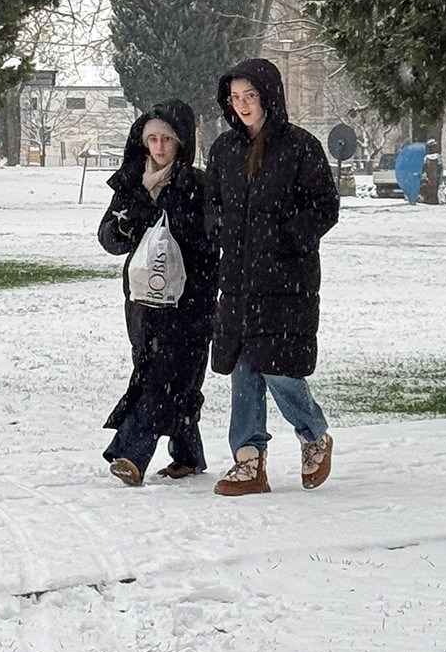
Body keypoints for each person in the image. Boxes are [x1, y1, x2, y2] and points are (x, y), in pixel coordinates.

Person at [205, 59, 339, 496]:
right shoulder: (223, 149)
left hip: (285, 280)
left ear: (268, 96)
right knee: (243, 366)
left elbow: (324, 206)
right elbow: (213, 206)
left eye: (250, 96)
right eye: (236, 97)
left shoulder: (301, 147)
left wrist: (282, 238)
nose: (242, 105)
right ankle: (248, 460)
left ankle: (313, 434)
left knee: (277, 366)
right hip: (239, 280)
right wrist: (221, 230)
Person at [98, 98, 216, 487]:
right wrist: (132, 221)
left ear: (181, 142)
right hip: (143, 301)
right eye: (153, 139)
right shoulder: (132, 183)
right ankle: (187, 455)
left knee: (164, 376)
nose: (160, 147)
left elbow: (209, 241)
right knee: (164, 376)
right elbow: (109, 239)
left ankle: (132, 452)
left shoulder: (197, 185)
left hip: (190, 302)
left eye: (167, 138)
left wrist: (171, 221)